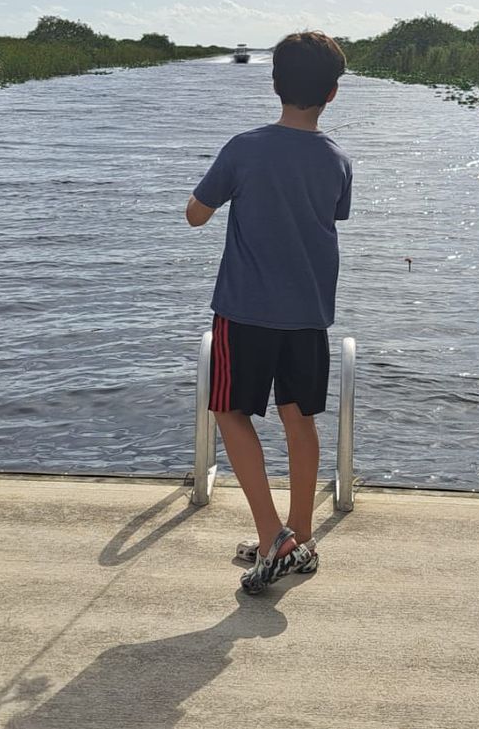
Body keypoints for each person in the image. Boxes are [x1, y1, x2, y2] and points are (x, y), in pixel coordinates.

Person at [185, 31, 353, 595]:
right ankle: (298, 540)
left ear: (274, 82)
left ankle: (270, 535)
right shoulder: (337, 161)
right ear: (332, 93)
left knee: (230, 412)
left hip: (245, 311)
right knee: (298, 418)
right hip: (309, 314)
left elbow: (195, 215)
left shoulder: (243, 148)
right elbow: (333, 216)